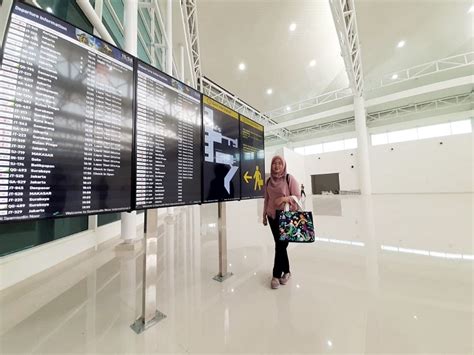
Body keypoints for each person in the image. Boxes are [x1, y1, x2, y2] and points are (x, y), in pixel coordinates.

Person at [263, 155, 301, 289]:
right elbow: (266, 199)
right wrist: (263, 216)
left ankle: (276, 275)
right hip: (272, 217)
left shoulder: (289, 178)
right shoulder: (268, 181)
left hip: (285, 217)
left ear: (283, 165)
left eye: (280, 163)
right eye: (274, 163)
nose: (277, 166)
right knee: (280, 245)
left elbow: (298, 196)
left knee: (280, 245)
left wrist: (283, 199)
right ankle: (287, 272)